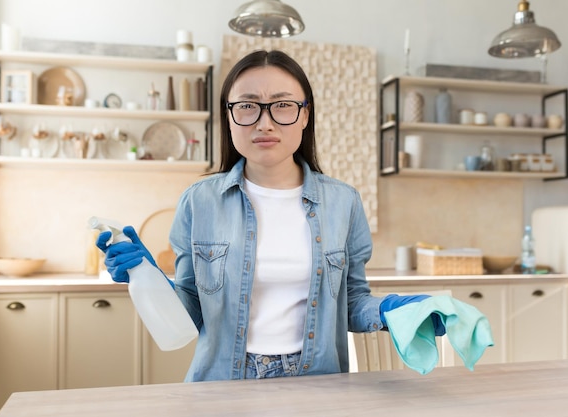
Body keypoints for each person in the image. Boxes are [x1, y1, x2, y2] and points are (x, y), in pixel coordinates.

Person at [97, 49, 443, 382]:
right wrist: (149, 279)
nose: (265, 123)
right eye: (248, 107)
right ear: (229, 116)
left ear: (305, 115)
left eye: (282, 106)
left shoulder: (344, 202)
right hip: (223, 384)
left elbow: (350, 303)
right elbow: (191, 311)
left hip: (318, 382)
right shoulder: (198, 201)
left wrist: (391, 309)